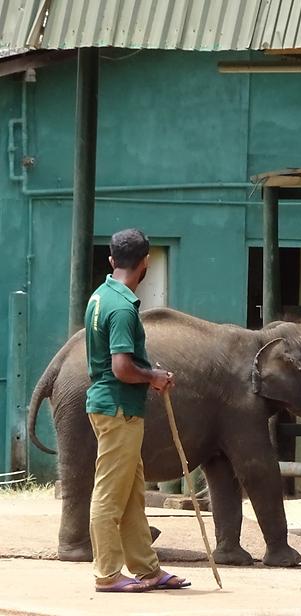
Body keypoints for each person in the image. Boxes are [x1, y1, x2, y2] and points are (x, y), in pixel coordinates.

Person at [85, 228, 189, 593]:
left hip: (111, 407)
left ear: (112, 261)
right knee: (111, 494)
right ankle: (108, 573)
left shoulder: (100, 297)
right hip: (119, 410)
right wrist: (154, 376)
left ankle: (147, 569)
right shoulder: (121, 307)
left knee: (131, 494)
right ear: (145, 263)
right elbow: (121, 368)